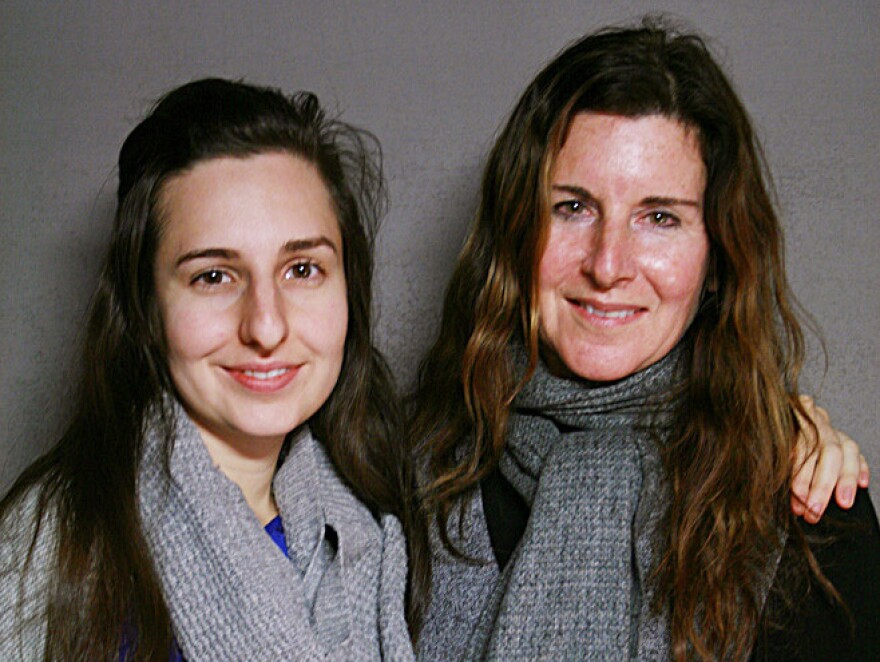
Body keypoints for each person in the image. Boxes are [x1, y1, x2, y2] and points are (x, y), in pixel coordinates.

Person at [413, 20, 879, 661]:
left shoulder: (807, 508)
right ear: (517, 229)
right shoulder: (407, 483)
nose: (608, 265)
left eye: (660, 217)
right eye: (571, 207)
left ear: (718, 256)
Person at [0, 78, 428, 660]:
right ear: (146, 307)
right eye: (213, 276)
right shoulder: (55, 542)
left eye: (302, 269)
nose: (266, 326)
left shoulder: (375, 525)